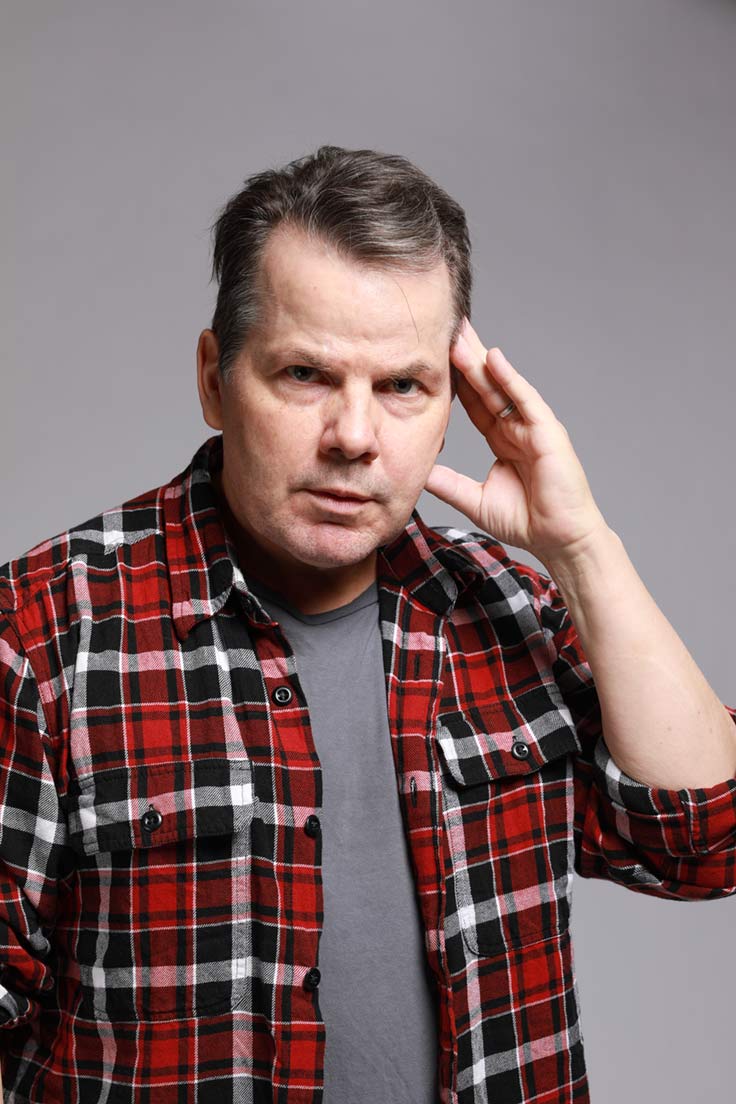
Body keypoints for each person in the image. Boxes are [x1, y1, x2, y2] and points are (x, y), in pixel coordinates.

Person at [1, 145, 734, 1104]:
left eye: (403, 386)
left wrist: (582, 546)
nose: (355, 436)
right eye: (307, 374)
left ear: (452, 404)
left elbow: (706, 843)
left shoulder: (508, 606)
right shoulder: (46, 631)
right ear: (216, 380)